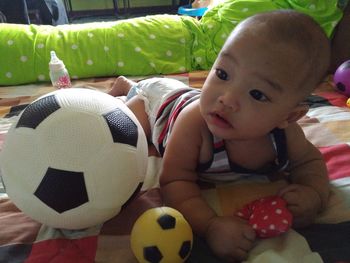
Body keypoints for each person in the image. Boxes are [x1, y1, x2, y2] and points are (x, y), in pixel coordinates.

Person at [108, 10, 331, 262]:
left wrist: (314, 194)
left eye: (257, 94)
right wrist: (210, 225)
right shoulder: (194, 125)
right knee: (123, 122)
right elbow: (173, 181)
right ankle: (127, 87)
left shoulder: (285, 136)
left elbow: (311, 163)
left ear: (289, 117)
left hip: (182, 95)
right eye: (222, 74)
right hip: (160, 105)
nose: (227, 98)